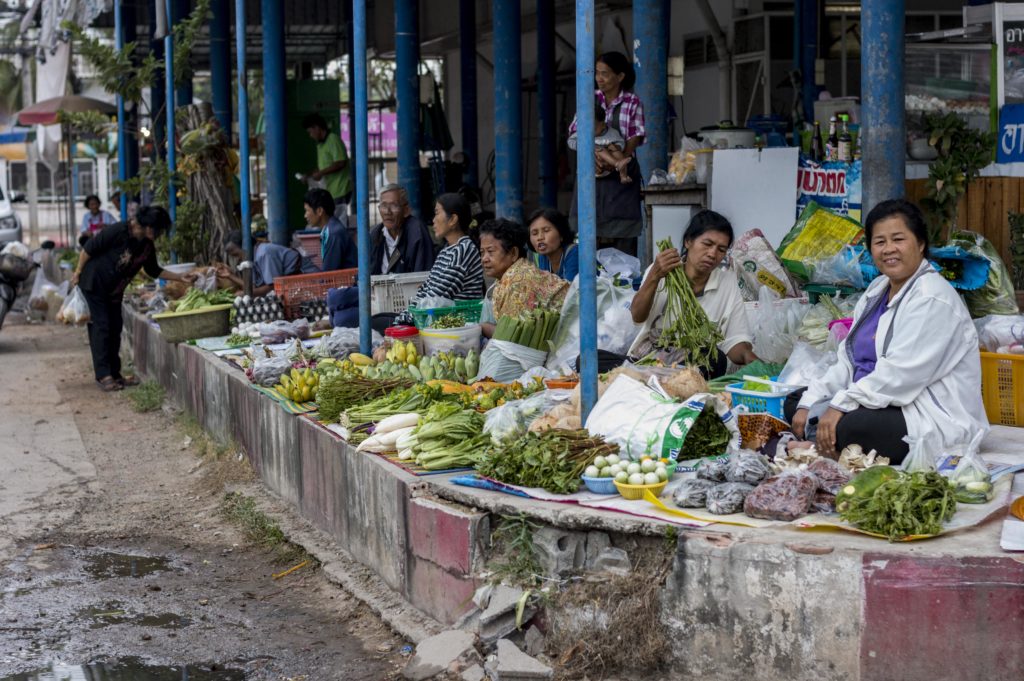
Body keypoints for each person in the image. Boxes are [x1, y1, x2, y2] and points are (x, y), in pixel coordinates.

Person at [785, 199, 988, 464]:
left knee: (853, 428)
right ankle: (825, 436)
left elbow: (901, 375)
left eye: (898, 239)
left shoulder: (932, 298)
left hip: (923, 412)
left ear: (921, 244)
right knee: (795, 401)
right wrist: (810, 402)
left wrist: (840, 406)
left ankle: (828, 437)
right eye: (880, 242)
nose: (889, 249)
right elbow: (848, 360)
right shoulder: (877, 289)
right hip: (874, 397)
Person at [71, 206, 194, 392]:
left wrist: (181, 277)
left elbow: (153, 270)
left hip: (114, 290)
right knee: (102, 326)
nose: (160, 234)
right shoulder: (119, 230)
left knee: (115, 326)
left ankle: (115, 373)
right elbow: (89, 249)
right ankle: (104, 374)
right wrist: (77, 272)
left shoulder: (146, 245)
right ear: (149, 226)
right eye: (158, 229)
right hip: (95, 284)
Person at [629, 210, 757, 378]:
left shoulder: (728, 282)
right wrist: (654, 276)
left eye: (721, 249)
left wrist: (751, 358)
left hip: (692, 366)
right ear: (688, 241)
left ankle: (670, 382)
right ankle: (655, 377)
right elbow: (637, 316)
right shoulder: (661, 270)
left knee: (713, 358)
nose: (712, 254)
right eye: (707, 244)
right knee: (590, 360)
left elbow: (735, 340)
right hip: (650, 360)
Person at [568, 51, 646, 254]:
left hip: (621, 175)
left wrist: (618, 161)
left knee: (623, 243)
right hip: (591, 171)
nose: (598, 78)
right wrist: (596, 157)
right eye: (597, 73)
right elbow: (576, 132)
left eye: (604, 73)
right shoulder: (588, 99)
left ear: (620, 76)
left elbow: (634, 137)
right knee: (588, 237)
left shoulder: (632, 102)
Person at [479, 218, 570, 338]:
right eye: (482, 252)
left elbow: (513, 338)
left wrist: (483, 327)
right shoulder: (508, 277)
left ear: (513, 253)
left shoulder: (520, 280)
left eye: (490, 251)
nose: (484, 258)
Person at [410, 193, 484, 306]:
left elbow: (437, 296)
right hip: (436, 316)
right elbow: (427, 287)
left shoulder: (463, 250)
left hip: (459, 320)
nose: (433, 220)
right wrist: (407, 312)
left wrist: (408, 315)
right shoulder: (445, 251)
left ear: (453, 219)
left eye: (437, 213)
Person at [369, 184, 436, 275]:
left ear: (406, 210)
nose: (387, 212)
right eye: (384, 206)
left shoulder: (416, 232)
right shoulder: (376, 233)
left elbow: (422, 276)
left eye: (394, 205)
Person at [217, 230, 303, 297]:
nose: (237, 259)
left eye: (236, 255)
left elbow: (273, 287)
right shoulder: (252, 257)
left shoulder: (264, 253)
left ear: (245, 246)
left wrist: (245, 293)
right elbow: (254, 287)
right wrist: (229, 276)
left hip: (304, 280)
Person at [568, 100, 631, 184]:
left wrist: (616, 147)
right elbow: (571, 141)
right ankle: (617, 164)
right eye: (586, 126)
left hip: (609, 168)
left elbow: (621, 142)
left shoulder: (612, 133)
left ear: (603, 125)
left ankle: (623, 176)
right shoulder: (582, 133)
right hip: (589, 170)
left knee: (617, 152)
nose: (589, 130)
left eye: (593, 128)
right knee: (598, 148)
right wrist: (583, 146)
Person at [302, 113, 352, 217]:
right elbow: (324, 167)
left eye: (310, 132)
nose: (310, 135)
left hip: (340, 189)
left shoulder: (333, 140)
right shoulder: (320, 145)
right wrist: (310, 175)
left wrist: (321, 173)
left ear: (317, 128)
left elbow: (341, 162)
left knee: (338, 221)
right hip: (330, 190)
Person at [304, 188, 357, 272]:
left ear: (319, 211)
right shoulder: (330, 228)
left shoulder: (333, 233)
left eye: (307, 211)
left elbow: (328, 273)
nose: (305, 215)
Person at [528, 207, 579, 282]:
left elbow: (570, 290)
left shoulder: (575, 253)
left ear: (561, 234)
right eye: (534, 233)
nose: (540, 237)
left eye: (546, 230)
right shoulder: (542, 257)